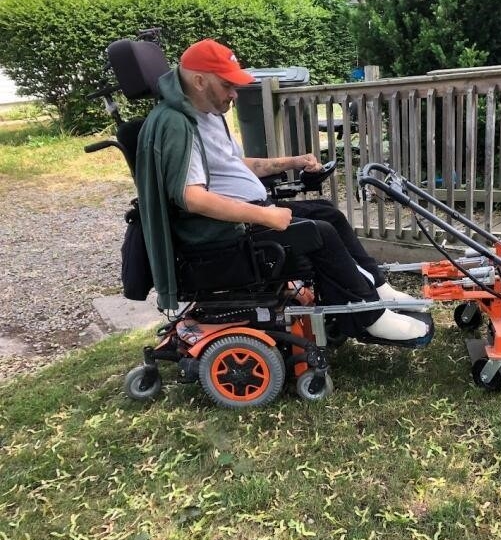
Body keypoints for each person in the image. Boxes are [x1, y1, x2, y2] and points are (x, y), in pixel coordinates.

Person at [135, 38, 430, 343]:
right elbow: (190, 197)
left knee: (328, 212)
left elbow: (235, 165)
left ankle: (380, 291)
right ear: (199, 80)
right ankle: (371, 318)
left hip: (248, 214)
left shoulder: (207, 113)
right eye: (227, 86)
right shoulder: (175, 124)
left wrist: (291, 161)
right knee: (320, 233)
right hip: (220, 235)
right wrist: (265, 216)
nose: (235, 95)